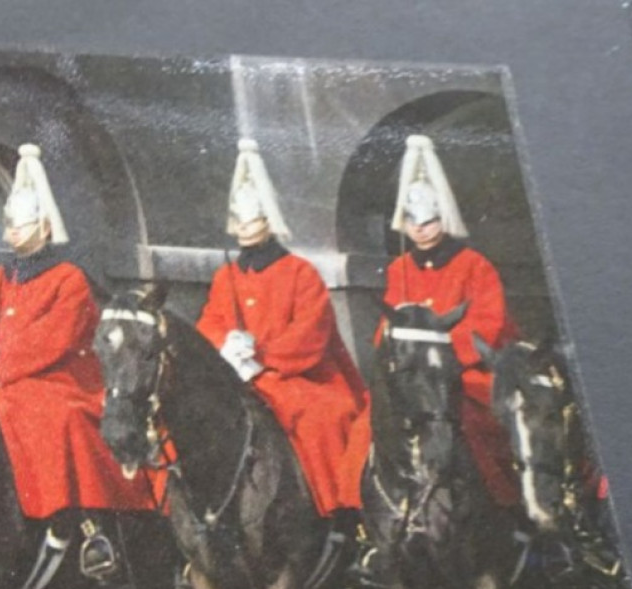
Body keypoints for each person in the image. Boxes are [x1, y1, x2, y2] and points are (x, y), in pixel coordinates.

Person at [0, 143, 153, 580]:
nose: (10, 236)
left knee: (55, 417)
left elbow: (53, 340)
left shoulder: (70, 280)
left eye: (19, 228)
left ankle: (82, 523)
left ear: (43, 228)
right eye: (7, 228)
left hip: (58, 381)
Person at [195, 139, 370, 554]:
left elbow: (311, 332)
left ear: (269, 220)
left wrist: (261, 355)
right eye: (238, 218)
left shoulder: (300, 273)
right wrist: (226, 348)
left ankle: (341, 517)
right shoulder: (227, 278)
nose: (243, 225)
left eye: (252, 218)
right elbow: (211, 321)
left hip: (301, 377)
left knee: (322, 417)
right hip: (241, 380)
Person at [378, 134, 521, 508]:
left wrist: (440, 354)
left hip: (465, 372)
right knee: (372, 425)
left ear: (445, 217)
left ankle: (506, 506)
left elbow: (488, 324)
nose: (421, 228)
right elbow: (388, 322)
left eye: (430, 219)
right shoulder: (399, 269)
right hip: (416, 376)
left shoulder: (475, 265)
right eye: (413, 220)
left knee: (473, 424)